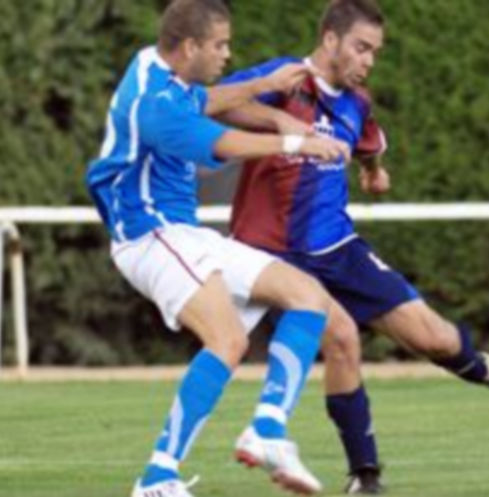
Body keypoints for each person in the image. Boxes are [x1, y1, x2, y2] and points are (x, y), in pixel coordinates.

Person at [219, 0, 489, 493]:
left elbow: (369, 145)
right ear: (330, 40)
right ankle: (364, 474)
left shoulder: (357, 103)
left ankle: (479, 366)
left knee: (436, 338)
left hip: (339, 247)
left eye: (375, 52)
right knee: (342, 338)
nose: (368, 61)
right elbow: (214, 103)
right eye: (361, 48)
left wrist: (373, 173)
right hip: (272, 256)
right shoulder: (284, 79)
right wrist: (277, 120)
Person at [85, 1, 353, 496]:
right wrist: (297, 143)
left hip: (181, 232)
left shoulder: (154, 65)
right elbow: (224, 143)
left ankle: (266, 430)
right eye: (220, 45)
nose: (228, 54)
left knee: (307, 296)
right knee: (227, 340)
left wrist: (264, 94)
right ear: (190, 47)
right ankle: (157, 479)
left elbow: (202, 100)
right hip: (149, 235)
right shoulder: (155, 106)